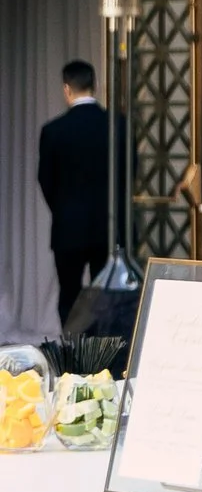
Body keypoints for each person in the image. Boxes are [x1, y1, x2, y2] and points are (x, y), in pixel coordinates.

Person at [35, 59, 112, 329]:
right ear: (96, 86)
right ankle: (107, 353)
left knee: (70, 294)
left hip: (69, 227)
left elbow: (45, 179)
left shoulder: (53, 131)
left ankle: (74, 353)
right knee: (108, 294)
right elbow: (130, 174)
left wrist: (63, 209)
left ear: (67, 89)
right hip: (108, 226)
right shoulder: (117, 126)